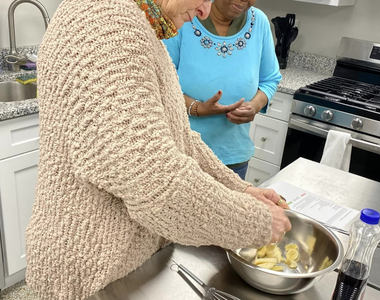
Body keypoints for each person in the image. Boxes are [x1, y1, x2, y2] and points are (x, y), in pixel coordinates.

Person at [25, 0, 290, 299]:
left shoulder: (142, 26)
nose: (204, 11)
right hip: (89, 275)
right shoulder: (104, 23)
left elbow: (178, 139)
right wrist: (255, 221)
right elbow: (153, 180)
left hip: (128, 268)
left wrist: (239, 191)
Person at [163, 0, 282, 180]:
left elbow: (270, 79)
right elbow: (161, 84)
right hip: (183, 156)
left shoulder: (260, 22)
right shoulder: (183, 17)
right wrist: (196, 108)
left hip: (234, 157)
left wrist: (255, 106)